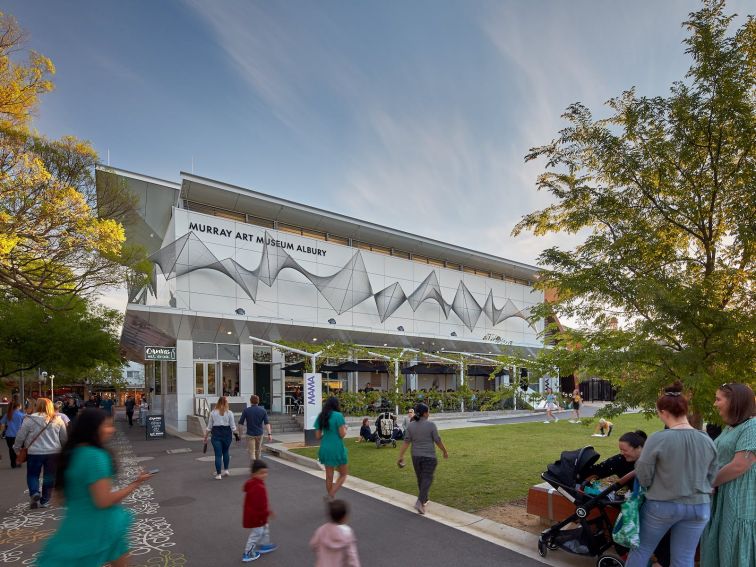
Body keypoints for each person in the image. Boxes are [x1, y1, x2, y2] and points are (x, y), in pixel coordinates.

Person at [35, 408, 151, 567]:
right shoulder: (95, 457)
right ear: (92, 428)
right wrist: (135, 484)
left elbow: (60, 498)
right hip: (99, 526)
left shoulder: (71, 453)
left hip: (74, 527)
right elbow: (103, 501)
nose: (112, 430)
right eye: (107, 426)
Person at [625, 381, 718, 567]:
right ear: (685, 411)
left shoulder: (658, 438)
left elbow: (643, 474)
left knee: (641, 550)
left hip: (662, 505)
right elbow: (712, 474)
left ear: (663, 413)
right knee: (684, 558)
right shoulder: (706, 439)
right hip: (699, 507)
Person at [700, 383, 755, 567]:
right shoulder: (730, 427)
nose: (715, 404)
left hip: (738, 500)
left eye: (718, 399)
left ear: (735, 402)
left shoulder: (752, 427)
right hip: (722, 498)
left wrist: (707, 483)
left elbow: (740, 465)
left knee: (733, 548)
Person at [13, 398, 67, 508]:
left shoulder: (29, 419)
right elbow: (64, 438)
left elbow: (20, 436)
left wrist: (16, 448)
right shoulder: (58, 419)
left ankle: (34, 493)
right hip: (54, 452)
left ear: (37, 405)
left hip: (34, 452)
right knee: (49, 476)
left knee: (33, 474)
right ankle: (45, 500)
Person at [397, 402, 449, 515]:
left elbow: (406, 443)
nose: (429, 413)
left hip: (415, 456)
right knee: (427, 478)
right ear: (425, 413)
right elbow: (438, 440)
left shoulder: (411, 425)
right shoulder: (431, 425)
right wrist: (444, 451)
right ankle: (420, 501)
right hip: (429, 457)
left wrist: (400, 457)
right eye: (428, 411)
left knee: (421, 479)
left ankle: (424, 499)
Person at [242, 459, 278, 562]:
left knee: (265, 529)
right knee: (256, 534)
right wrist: (268, 512)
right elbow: (259, 505)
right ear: (254, 474)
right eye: (261, 473)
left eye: (266, 472)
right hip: (257, 516)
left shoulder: (252, 483)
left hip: (258, 515)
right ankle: (248, 553)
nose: (264, 475)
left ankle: (264, 545)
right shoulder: (258, 487)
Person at [310, 499, 361, 567]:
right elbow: (352, 555)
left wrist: (322, 554)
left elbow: (313, 544)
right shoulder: (347, 532)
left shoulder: (322, 530)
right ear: (344, 517)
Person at [581, 430, 647, 483]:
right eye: (621, 450)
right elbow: (600, 469)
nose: (621, 453)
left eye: (624, 450)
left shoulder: (652, 462)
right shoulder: (621, 459)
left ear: (639, 448)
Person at [315, 397, 348, 499]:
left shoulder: (321, 416)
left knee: (329, 476)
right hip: (337, 448)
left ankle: (331, 500)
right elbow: (342, 434)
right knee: (343, 474)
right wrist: (345, 428)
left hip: (325, 447)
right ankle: (331, 494)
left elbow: (317, 436)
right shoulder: (338, 416)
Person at [204, 396, 237, 480]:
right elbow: (233, 427)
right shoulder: (229, 413)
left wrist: (205, 437)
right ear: (226, 403)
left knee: (218, 455)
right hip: (227, 434)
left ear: (218, 402)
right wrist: (236, 435)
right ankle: (226, 470)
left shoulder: (213, 413)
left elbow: (209, 427)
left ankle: (218, 474)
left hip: (216, 434)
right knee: (226, 452)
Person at [239, 395, 272, 462]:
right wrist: (269, 434)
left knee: (252, 452)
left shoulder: (246, 410)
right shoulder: (263, 411)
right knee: (258, 451)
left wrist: (240, 434)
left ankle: (254, 466)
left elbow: (241, 424)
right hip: (259, 433)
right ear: (258, 401)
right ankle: (258, 466)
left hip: (250, 434)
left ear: (250, 401)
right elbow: (267, 423)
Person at [0, 400, 25, 468]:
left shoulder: (7, 414)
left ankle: (13, 463)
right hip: (19, 435)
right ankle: (19, 461)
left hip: (9, 435)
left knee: (11, 449)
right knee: (19, 449)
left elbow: (2, 423)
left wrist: (1, 432)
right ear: (18, 406)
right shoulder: (22, 415)